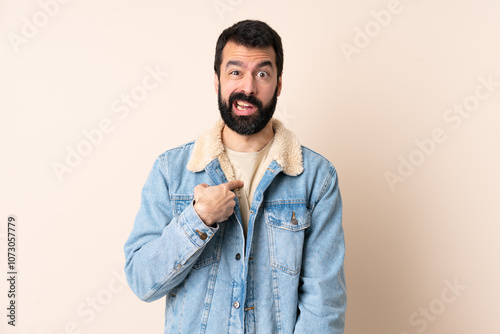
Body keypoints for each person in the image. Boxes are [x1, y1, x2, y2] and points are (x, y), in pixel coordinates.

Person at [124, 19, 347, 334]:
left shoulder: (315, 178)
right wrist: (198, 219)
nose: (248, 88)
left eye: (262, 74)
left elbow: (324, 305)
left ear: (279, 83)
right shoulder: (171, 171)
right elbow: (142, 281)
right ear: (217, 81)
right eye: (235, 72)